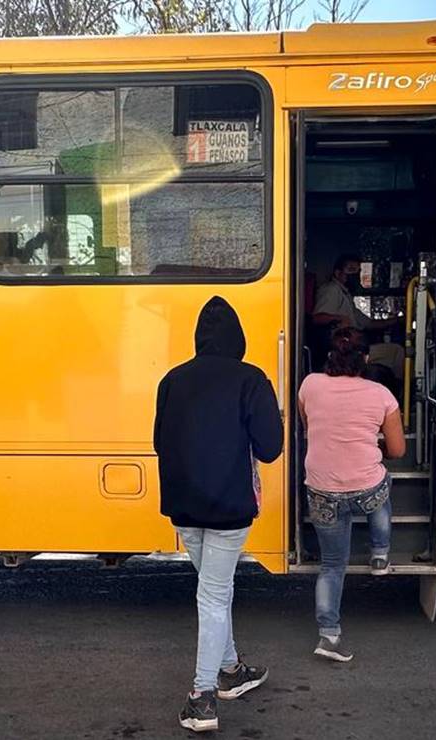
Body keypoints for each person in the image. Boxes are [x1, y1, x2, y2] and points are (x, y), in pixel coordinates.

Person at [154, 296, 284, 733]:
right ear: (239, 340)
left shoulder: (172, 380)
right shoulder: (251, 379)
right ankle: (202, 697)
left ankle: (230, 670)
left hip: (184, 505)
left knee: (214, 591)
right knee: (213, 595)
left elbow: (159, 442)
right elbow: (270, 447)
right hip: (230, 506)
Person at [298, 327, 406, 663]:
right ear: (366, 359)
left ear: (329, 355)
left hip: (321, 489)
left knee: (332, 566)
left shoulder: (310, 385)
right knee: (382, 483)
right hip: (365, 489)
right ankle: (380, 553)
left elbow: (308, 425)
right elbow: (399, 450)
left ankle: (329, 636)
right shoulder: (382, 395)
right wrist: (377, 449)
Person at [311, 254, 405, 379]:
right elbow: (317, 318)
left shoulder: (346, 294)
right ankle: (401, 393)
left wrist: (398, 320)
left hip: (356, 346)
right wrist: (338, 318)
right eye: (350, 270)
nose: (355, 275)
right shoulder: (332, 290)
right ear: (338, 273)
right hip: (345, 350)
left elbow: (369, 323)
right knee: (396, 352)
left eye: (357, 271)